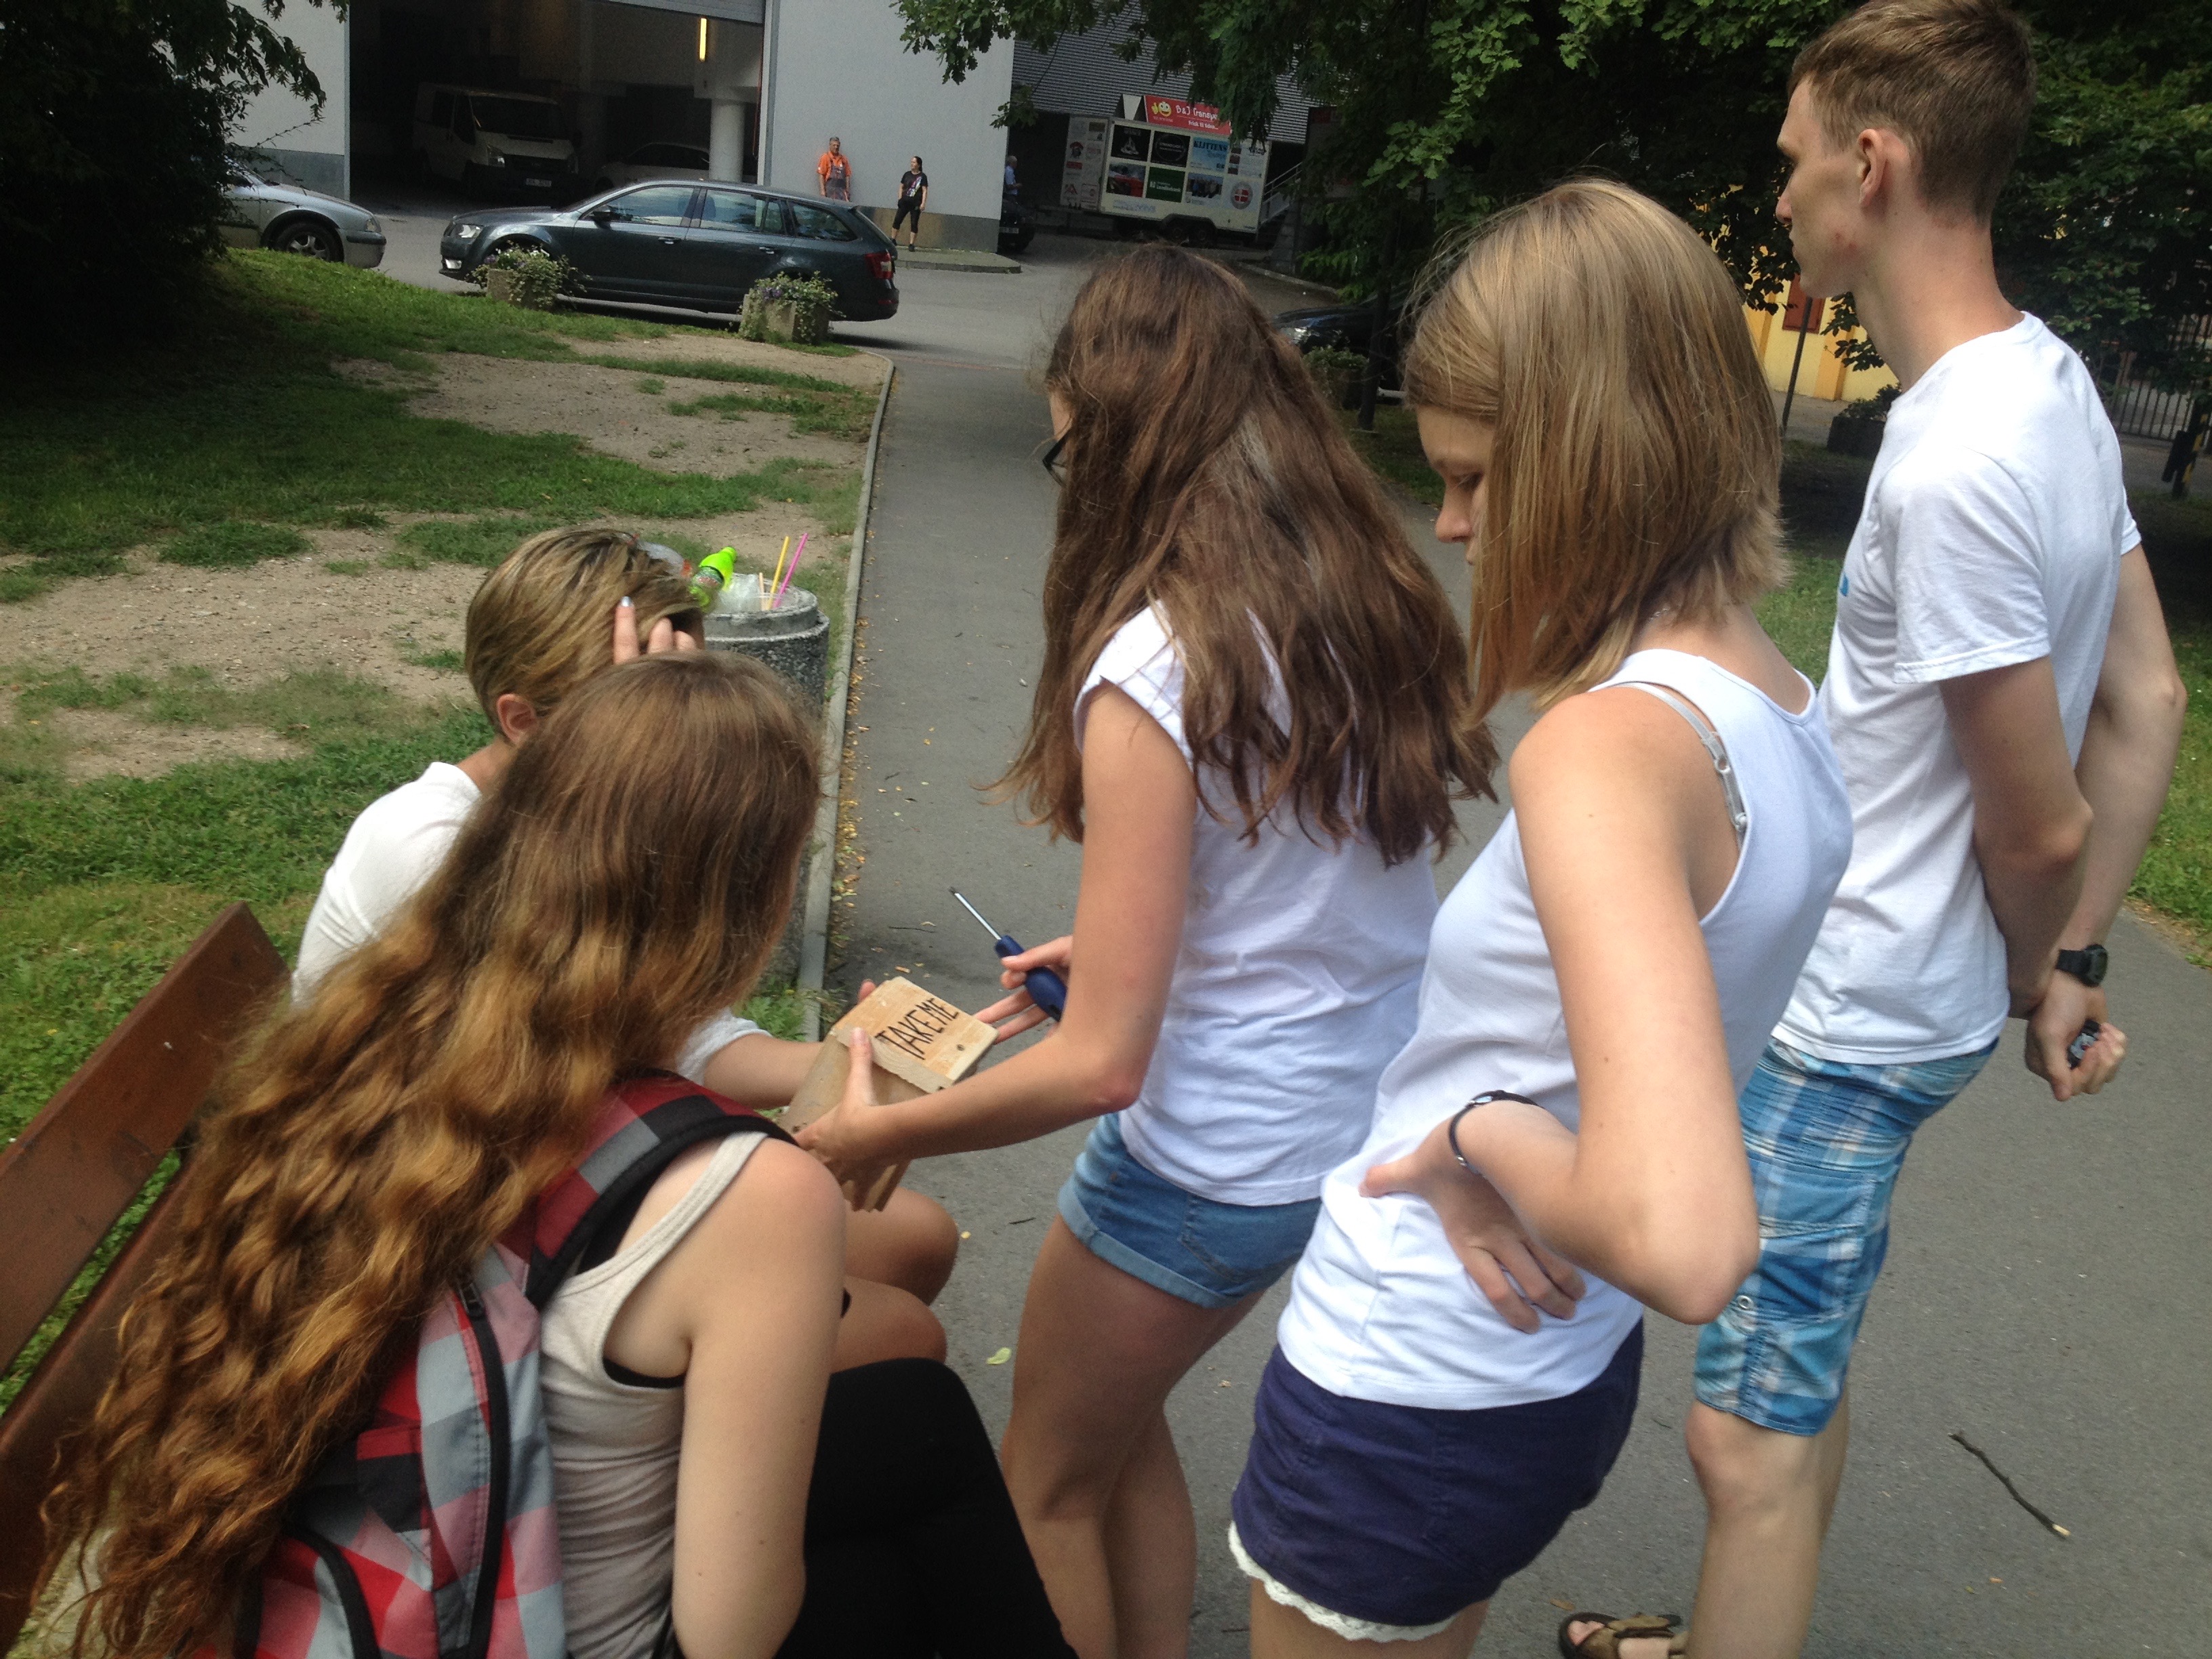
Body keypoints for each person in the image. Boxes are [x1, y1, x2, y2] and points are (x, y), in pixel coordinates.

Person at [33, 655, 1076, 1659]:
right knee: (894, 1558)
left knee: (919, 1422)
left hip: (370, 1554)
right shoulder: (749, 1194)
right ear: (750, 903)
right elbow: (733, 1634)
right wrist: (790, 1202)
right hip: (517, 1621)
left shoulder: (379, 1035)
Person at [1568, 5, 2188, 1656]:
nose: (1778, 199)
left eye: (1792, 163)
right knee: (1793, 1377)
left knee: (1743, 1439)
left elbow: (2039, 821)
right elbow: (2149, 697)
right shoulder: (2049, 384)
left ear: (1874, 163)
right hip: (1896, 996)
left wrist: (2032, 966)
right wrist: (2070, 965)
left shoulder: (1954, 462)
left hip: (1850, 1014)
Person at [797, 244, 1486, 1659]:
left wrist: (877, 1128)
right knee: (1115, 1440)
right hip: (1334, 1124)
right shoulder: (1359, 598)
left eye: (1067, 455)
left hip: (1204, 1160)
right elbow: (1303, 882)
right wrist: (1134, 941)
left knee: (1044, 1482)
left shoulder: (1157, 667)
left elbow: (1103, 1064)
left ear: (1118, 445)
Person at [1224, 180, 1856, 1659]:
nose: (1448, 523)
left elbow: (1685, 1240)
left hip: (1412, 1377)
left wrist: (1472, 1137)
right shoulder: (1779, 705)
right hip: (1544, 1370)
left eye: (1472, 477)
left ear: (1590, 461)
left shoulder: (1606, 748)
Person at [295, 528, 959, 1354]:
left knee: (917, 1237)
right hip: (426, 1224)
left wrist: (855, 1062)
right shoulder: (429, 845)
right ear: (523, 721)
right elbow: (567, 1080)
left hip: (539, 1168)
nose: (679, 746)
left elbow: (677, 1038)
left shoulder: (589, 834)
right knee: (900, 1335)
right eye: (642, 714)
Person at [893, 155, 928, 249]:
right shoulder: (907, 175)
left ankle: (911, 244)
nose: (912, 164)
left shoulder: (922, 177)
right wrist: (900, 198)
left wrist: (923, 203)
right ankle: (893, 239)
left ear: (919, 165)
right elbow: (901, 187)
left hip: (915, 203)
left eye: (914, 162)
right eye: (911, 162)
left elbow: (925, 190)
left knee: (914, 223)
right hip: (905, 202)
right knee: (897, 220)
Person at [817, 136, 851, 201]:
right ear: (830, 145)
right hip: (830, 191)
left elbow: (847, 176)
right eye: (834, 145)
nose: (836, 147)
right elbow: (821, 175)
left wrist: (847, 191)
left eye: (838, 146)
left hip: (842, 191)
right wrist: (823, 192)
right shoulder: (826, 157)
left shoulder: (843, 159)